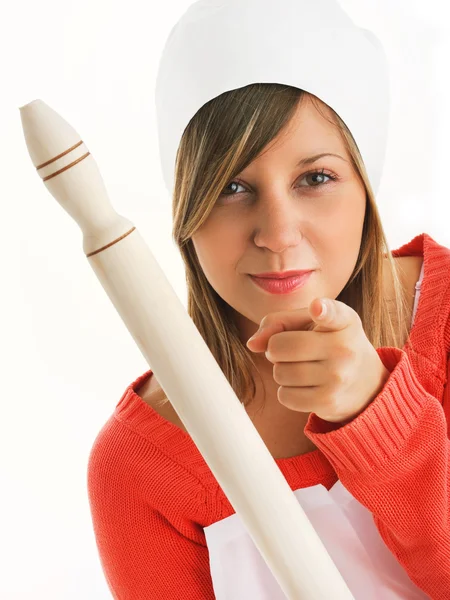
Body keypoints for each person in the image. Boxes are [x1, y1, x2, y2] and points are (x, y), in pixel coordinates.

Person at [87, 1, 450, 598]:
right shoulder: (141, 468)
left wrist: (377, 411)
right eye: (232, 187)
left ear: (366, 185)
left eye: (316, 178)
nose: (277, 235)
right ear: (186, 210)